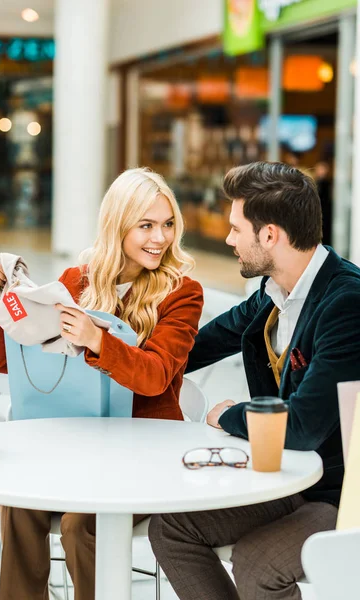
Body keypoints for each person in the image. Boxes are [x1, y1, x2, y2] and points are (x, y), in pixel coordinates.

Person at [0, 167, 203, 600]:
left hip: (145, 453)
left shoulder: (182, 293)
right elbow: (10, 363)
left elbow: (155, 376)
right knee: (18, 501)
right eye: (147, 225)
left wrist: (97, 339)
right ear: (117, 225)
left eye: (168, 223)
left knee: (80, 523)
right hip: (76, 445)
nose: (161, 238)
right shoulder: (75, 282)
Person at [149, 161, 360, 600]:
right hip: (289, 477)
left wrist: (230, 415)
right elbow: (193, 348)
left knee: (257, 561)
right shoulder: (273, 293)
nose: (228, 240)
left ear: (269, 236)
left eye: (235, 229)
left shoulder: (347, 303)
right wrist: (114, 349)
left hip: (338, 495)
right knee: (171, 528)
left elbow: (300, 427)